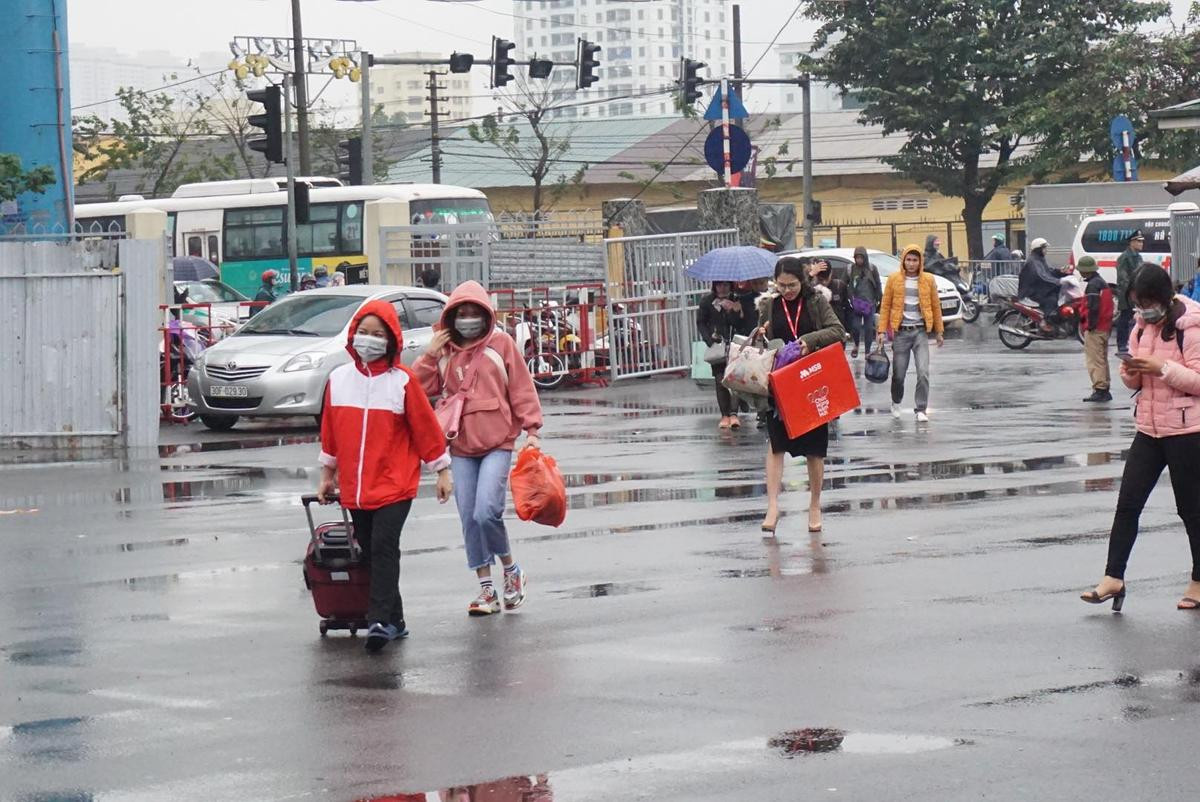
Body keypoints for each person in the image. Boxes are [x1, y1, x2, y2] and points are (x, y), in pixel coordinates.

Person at [316, 300, 454, 652]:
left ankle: (377, 620)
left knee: (383, 547)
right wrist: (327, 475)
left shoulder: (402, 382)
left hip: (396, 484)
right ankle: (396, 619)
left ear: (391, 340)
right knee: (371, 551)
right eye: (364, 333)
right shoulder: (339, 380)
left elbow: (426, 429)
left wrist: (442, 471)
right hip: (356, 489)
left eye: (378, 335)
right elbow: (330, 434)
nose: (370, 340)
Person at [414, 280, 543, 617]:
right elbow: (415, 388)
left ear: (486, 315)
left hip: (498, 443)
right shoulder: (443, 351)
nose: (468, 318)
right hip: (460, 446)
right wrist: (430, 355)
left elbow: (521, 387)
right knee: (469, 518)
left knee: (487, 512)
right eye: (461, 313)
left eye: (474, 312)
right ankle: (486, 589)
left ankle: (511, 570)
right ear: (451, 317)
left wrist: (532, 430)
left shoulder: (501, 343)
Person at [1081, 265, 1200, 612]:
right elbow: (1133, 379)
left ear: (1164, 297)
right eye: (1138, 303)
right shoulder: (1141, 325)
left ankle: (1198, 579)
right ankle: (1113, 577)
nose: (1143, 309)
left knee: (1191, 510)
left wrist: (1161, 369)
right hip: (1148, 429)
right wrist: (1131, 372)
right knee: (1128, 504)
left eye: (1147, 302)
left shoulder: (1190, 325)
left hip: (1186, 430)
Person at [756, 256, 846, 535]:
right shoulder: (771, 305)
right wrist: (761, 332)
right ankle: (772, 505)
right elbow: (763, 340)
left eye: (791, 284)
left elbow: (837, 331)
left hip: (811, 381)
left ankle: (815, 504)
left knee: (814, 449)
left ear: (802, 280)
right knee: (776, 443)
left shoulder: (816, 301)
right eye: (781, 285)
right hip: (780, 383)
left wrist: (809, 341)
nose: (786, 290)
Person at [877, 244, 945, 423]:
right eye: (908, 260)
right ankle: (896, 401)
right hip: (901, 333)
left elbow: (935, 306)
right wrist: (882, 331)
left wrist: (939, 332)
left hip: (920, 332)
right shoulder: (894, 279)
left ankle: (921, 408)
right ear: (904, 261)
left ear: (920, 261)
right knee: (899, 373)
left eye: (915, 260)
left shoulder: (928, 280)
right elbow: (885, 306)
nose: (912, 263)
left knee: (923, 372)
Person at [697, 281, 753, 429]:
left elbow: (741, 324)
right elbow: (701, 323)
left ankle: (734, 414)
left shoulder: (737, 299)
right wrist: (709, 339)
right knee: (720, 379)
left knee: (734, 379)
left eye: (726, 285)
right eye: (719, 285)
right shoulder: (707, 301)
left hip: (735, 345)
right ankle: (724, 415)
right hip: (717, 346)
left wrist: (733, 311)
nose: (722, 288)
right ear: (714, 286)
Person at [1078, 256, 1114, 402]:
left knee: (1094, 359)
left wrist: (1090, 326)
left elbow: (1093, 308)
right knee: (1102, 358)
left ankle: (1100, 389)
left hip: (1096, 328)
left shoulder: (1093, 285)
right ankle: (1104, 387)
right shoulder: (1102, 283)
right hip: (1105, 326)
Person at [1017, 238, 1066, 327]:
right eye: (1044, 248)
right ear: (1039, 249)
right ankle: (1046, 322)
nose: (1046, 250)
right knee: (1051, 300)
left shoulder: (1039, 259)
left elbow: (1048, 271)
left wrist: (1060, 272)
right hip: (1032, 291)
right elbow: (1042, 277)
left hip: (1038, 288)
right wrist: (1057, 281)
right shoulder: (1033, 262)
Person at [847, 246, 882, 358]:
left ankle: (867, 351)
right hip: (856, 304)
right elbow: (844, 284)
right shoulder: (851, 269)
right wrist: (850, 297)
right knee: (856, 327)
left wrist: (879, 298)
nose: (859, 260)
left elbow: (878, 284)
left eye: (861, 257)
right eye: (857, 258)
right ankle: (856, 345)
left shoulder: (872, 268)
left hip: (869, 303)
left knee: (868, 329)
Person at [1115, 230, 1145, 355]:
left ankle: (1133, 343)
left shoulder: (1138, 257)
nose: (1141, 243)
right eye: (1138, 241)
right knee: (1124, 318)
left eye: (1142, 241)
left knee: (1136, 319)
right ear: (1131, 242)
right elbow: (1123, 279)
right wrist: (1131, 292)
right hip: (1126, 294)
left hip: (1137, 293)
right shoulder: (1124, 257)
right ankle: (1122, 344)